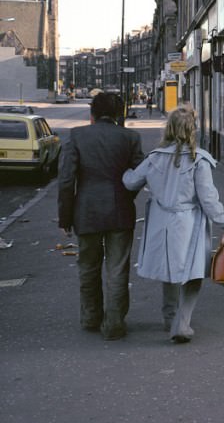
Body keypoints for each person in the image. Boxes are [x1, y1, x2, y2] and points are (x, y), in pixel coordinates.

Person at [122, 104, 224, 343]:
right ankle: (181, 324)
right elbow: (208, 199)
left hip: (160, 222)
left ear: (170, 128)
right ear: (192, 128)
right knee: (192, 273)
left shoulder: (154, 158)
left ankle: (169, 318)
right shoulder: (198, 160)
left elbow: (131, 182)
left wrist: (123, 172)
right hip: (188, 223)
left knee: (170, 271)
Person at [58, 92, 144, 340]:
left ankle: (91, 317)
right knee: (117, 269)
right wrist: (128, 196)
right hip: (120, 210)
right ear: (119, 114)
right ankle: (114, 324)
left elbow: (66, 181)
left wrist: (65, 217)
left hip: (86, 211)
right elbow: (140, 174)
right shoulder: (130, 137)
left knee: (88, 267)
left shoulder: (77, 136)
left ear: (92, 114)